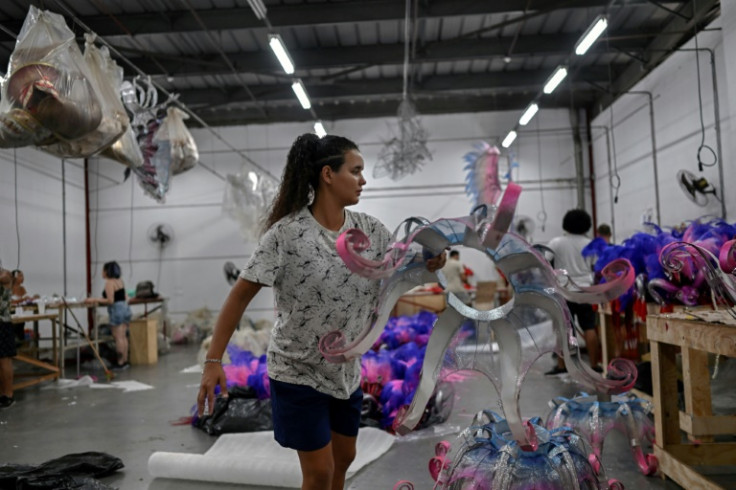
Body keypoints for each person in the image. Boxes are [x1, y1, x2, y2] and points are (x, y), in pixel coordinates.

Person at [197, 133, 446, 490]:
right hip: (297, 370)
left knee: (343, 460)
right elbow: (239, 296)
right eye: (355, 171)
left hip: (346, 372)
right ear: (328, 175)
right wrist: (213, 361)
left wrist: (431, 259)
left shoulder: (371, 231)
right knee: (318, 473)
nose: (363, 180)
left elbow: (402, 265)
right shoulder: (286, 236)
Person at [545, 209, 602, 375]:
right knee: (589, 328)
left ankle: (562, 367)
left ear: (566, 224)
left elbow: (544, 261)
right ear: (587, 225)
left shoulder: (556, 243)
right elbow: (597, 268)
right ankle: (595, 365)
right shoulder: (590, 244)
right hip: (585, 290)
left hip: (564, 291)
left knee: (563, 330)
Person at [85, 261, 132, 369]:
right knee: (123, 336)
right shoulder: (120, 281)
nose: (102, 272)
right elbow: (125, 296)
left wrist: (94, 299)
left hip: (117, 310)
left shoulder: (109, 283)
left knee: (118, 337)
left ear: (107, 271)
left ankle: (120, 362)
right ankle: (125, 360)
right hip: (125, 309)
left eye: (103, 270)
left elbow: (110, 300)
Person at [0, 265, 16, 408]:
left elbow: (6, 276)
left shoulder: (5, 275)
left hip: (2, 323)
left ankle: (8, 394)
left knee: (4, 359)